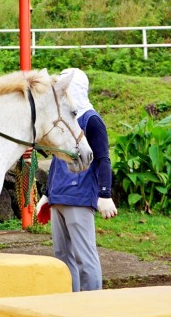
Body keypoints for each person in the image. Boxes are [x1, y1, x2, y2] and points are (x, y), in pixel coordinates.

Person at [35, 67, 118, 292]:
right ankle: (71, 302)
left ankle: (92, 303)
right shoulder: (60, 120)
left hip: (80, 197)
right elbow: (56, 161)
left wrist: (104, 194)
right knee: (62, 257)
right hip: (58, 196)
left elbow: (103, 159)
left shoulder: (92, 120)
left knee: (84, 256)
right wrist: (46, 194)